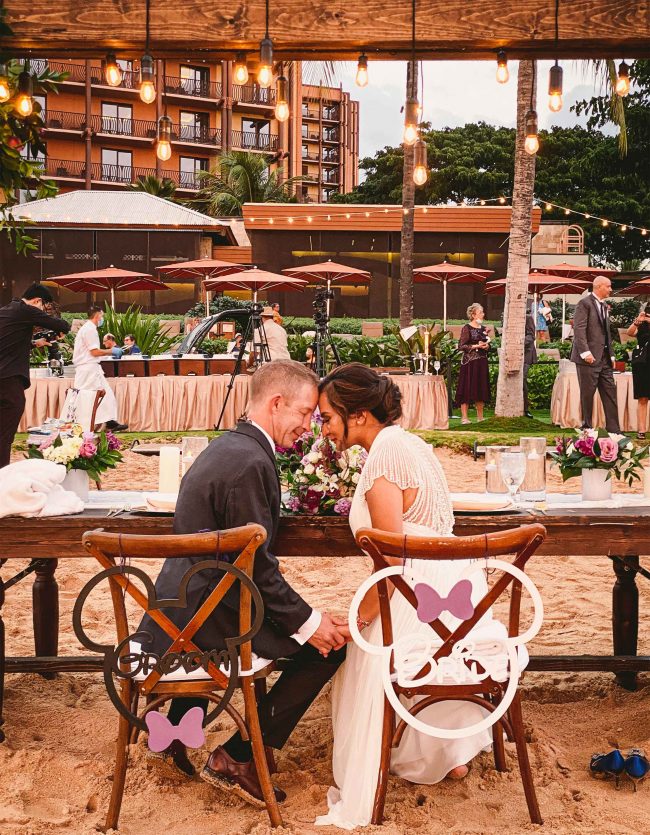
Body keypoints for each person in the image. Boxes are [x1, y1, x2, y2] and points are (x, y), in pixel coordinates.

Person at [138, 360, 347, 804]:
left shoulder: (230, 447)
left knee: (298, 625)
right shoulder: (250, 462)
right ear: (276, 404)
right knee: (327, 650)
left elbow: (245, 564)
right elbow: (254, 571)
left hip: (176, 608)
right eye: (305, 413)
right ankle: (236, 755)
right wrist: (311, 623)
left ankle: (174, 734)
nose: (307, 427)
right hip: (203, 620)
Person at [315, 363, 510, 829]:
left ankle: (422, 755)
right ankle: (444, 752)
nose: (322, 428)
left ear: (358, 415)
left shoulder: (384, 457)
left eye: (326, 417)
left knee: (355, 654)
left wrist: (356, 618)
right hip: (451, 603)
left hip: (417, 599)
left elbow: (393, 561)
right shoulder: (409, 443)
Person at [0, 283, 70, 468]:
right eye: (43, 306)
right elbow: (62, 325)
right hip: (8, 378)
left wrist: (34, 343)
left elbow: (8, 343)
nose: (42, 311)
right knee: (5, 432)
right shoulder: (26, 310)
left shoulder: (8, 310)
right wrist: (60, 331)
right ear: (37, 301)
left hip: (3, 376)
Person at [570, 276, 620, 433]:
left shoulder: (604, 305)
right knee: (587, 394)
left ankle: (614, 430)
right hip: (588, 359)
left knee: (611, 393)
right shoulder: (584, 303)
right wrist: (585, 352)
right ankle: (587, 427)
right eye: (609, 286)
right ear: (598, 287)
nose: (611, 290)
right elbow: (579, 329)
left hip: (604, 358)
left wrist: (611, 355)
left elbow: (606, 334)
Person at [73, 306, 127, 431]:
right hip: (88, 369)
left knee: (107, 396)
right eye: (101, 316)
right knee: (89, 398)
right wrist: (111, 351)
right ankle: (85, 427)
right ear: (97, 316)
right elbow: (94, 352)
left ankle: (109, 422)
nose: (102, 319)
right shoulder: (90, 329)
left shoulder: (87, 329)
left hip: (91, 368)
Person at [454, 303, 490, 423]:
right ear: (474, 315)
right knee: (466, 388)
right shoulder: (467, 328)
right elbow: (461, 346)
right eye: (481, 312)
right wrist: (476, 346)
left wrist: (486, 346)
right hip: (470, 363)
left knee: (481, 388)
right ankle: (464, 417)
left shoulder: (483, 329)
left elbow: (487, 344)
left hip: (481, 362)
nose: (483, 314)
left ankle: (480, 417)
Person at [627, 304, 650, 439]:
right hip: (642, 364)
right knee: (642, 397)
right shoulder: (642, 324)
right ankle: (641, 429)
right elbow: (630, 332)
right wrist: (638, 321)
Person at [523, 305, 538, 419]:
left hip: (526, 354)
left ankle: (525, 409)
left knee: (522, 380)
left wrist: (519, 342)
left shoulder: (528, 317)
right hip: (513, 354)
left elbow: (532, 336)